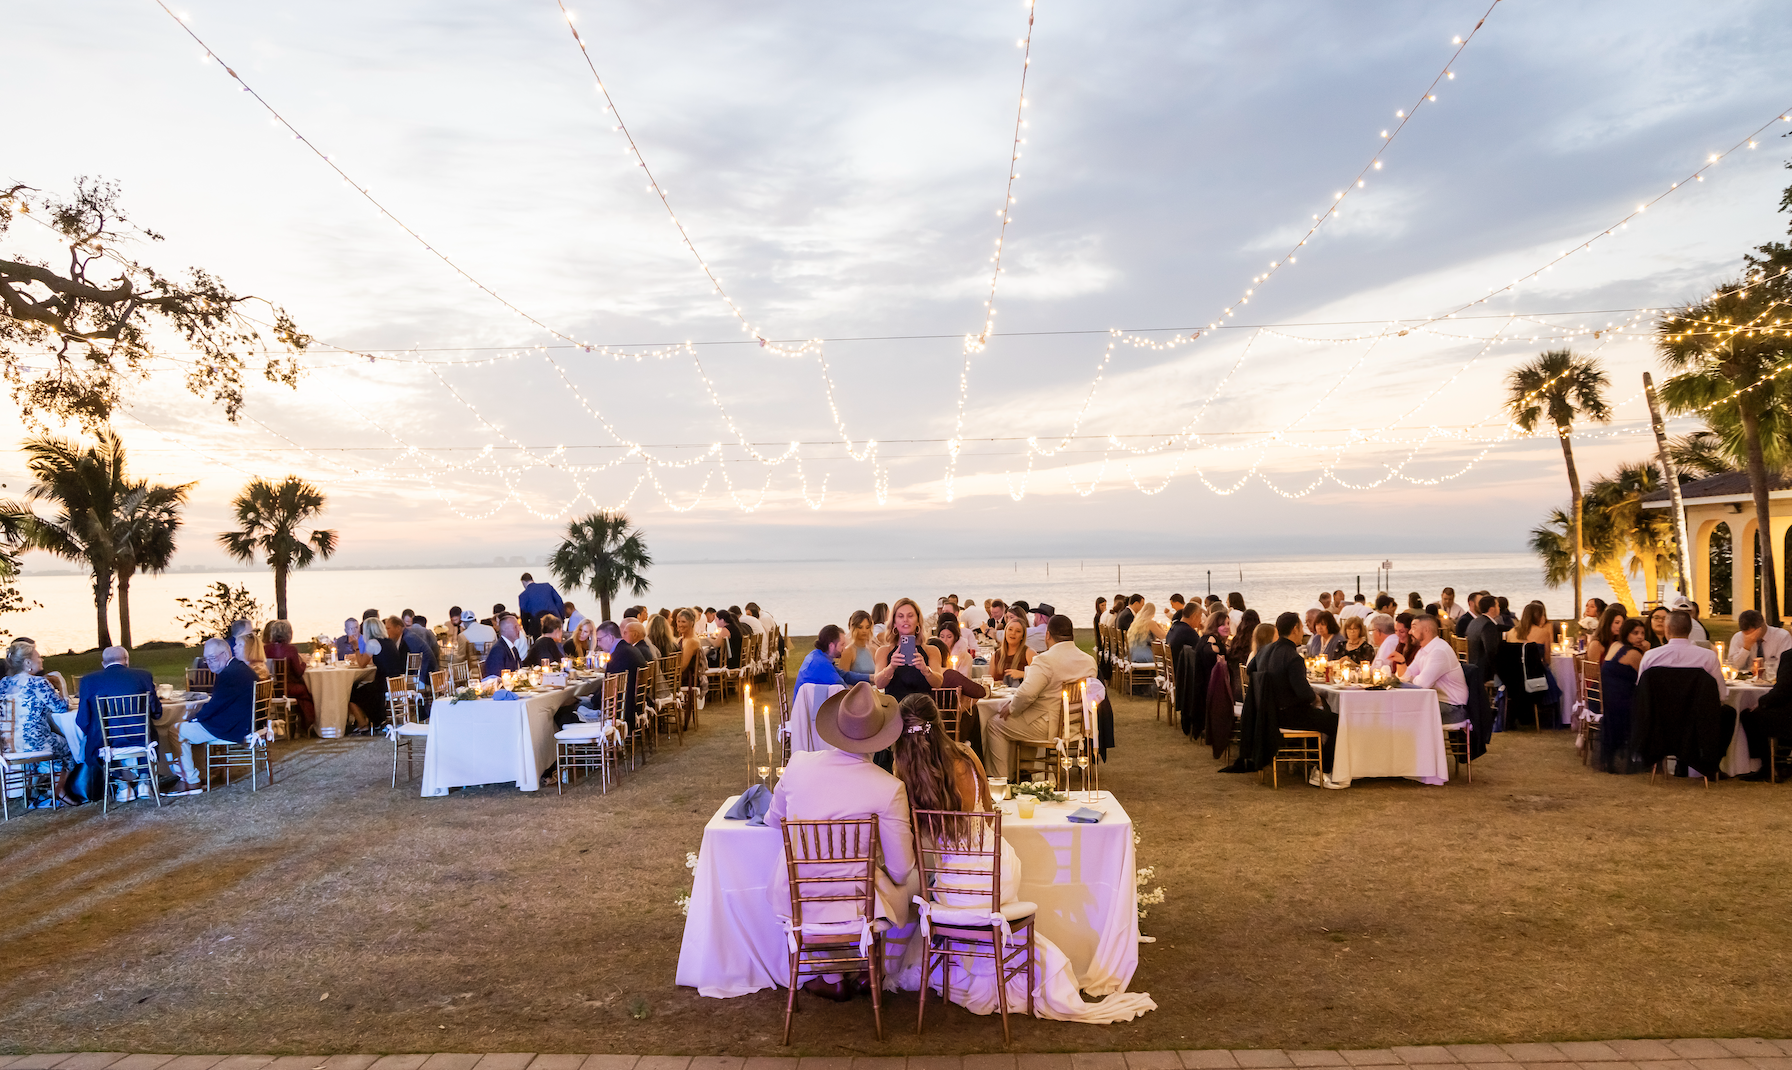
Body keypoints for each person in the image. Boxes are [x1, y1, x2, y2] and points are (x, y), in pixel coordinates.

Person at [764, 683, 919, 1001]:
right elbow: (902, 868)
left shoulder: (799, 765)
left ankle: (834, 975)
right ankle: (872, 968)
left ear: (837, 726)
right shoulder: (888, 787)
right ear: (881, 736)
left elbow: (773, 820)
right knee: (913, 880)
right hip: (858, 903)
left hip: (798, 897)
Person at [982, 614, 1096, 779]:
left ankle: (1000, 781)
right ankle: (1023, 772)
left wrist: (1012, 708)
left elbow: (1027, 694)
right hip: (1075, 725)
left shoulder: (1045, 660)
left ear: (1048, 635)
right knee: (1018, 719)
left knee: (995, 724)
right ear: (1072, 636)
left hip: (1049, 726)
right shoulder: (1088, 661)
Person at [74, 645, 164, 800]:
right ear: (126, 661)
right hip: (140, 738)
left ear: (103, 663)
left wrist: (93, 731)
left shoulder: (89, 681)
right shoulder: (143, 676)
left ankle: (122, 787)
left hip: (107, 740)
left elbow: (83, 719)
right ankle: (144, 781)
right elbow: (156, 712)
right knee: (150, 731)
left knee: (96, 740)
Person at [174, 636, 257, 793]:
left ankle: (189, 780)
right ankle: (201, 774)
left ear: (225, 654)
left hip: (230, 728)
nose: (209, 662)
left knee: (176, 730)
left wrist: (195, 717)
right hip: (241, 723)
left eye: (212, 658)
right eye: (206, 659)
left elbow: (215, 706)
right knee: (189, 727)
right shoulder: (241, 668)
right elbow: (220, 703)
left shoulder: (229, 675)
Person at [2, 640, 81, 805]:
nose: (42, 660)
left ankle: (39, 789)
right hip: (34, 743)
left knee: (52, 743)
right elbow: (60, 707)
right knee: (68, 747)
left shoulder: (3, 684)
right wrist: (61, 685)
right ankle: (59, 790)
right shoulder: (37, 683)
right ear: (28, 663)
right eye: (39, 657)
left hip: (8, 744)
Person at [892, 692, 993, 818]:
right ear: (939, 723)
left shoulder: (901, 767)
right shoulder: (966, 756)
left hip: (921, 838)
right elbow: (989, 815)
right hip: (977, 838)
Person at [1637, 609, 1726, 701]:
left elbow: (1641, 692)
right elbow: (1721, 694)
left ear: (1667, 628)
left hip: (1660, 713)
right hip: (1697, 713)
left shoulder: (1650, 656)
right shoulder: (1708, 657)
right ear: (1690, 629)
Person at [1596, 617, 1647, 773]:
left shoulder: (1616, 646)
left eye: (1643, 633)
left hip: (1608, 699)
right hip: (1622, 702)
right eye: (1635, 633)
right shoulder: (1633, 654)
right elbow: (1645, 679)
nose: (1639, 637)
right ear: (1627, 634)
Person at [1399, 615, 1470, 726]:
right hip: (1436, 702)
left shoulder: (1439, 651)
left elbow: (1422, 685)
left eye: (1414, 628)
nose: (1409, 632)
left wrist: (1411, 678)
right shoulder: (1424, 650)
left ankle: (1419, 743)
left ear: (1426, 630)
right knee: (1399, 708)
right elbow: (1406, 677)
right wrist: (1401, 663)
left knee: (1404, 713)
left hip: (1452, 708)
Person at [875, 597, 945, 702]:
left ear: (918, 621)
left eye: (910, 616)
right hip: (894, 711)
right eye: (900, 616)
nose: (905, 620)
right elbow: (879, 684)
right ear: (894, 622)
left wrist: (925, 670)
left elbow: (938, 683)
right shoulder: (884, 651)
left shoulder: (931, 651)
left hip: (922, 709)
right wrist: (891, 667)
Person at [263, 620, 317, 731]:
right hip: (288, 688)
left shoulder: (265, 649)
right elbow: (298, 672)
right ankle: (305, 724)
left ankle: (293, 724)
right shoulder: (291, 649)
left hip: (271, 689)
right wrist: (304, 663)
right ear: (289, 633)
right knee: (310, 692)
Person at [1726, 609, 1792, 678]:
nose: (1749, 637)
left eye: (1752, 633)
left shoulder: (1782, 636)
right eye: (1746, 634)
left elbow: (1785, 666)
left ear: (1762, 626)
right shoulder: (1738, 637)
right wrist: (1746, 648)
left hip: (1773, 680)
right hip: (1745, 683)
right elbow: (1733, 666)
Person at [796, 625, 850, 691]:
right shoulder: (821, 664)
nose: (844, 648)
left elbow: (844, 675)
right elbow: (844, 689)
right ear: (831, 646)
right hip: (811, 701)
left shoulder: (817, 655)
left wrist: (866, 677)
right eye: (842, 644)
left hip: (810, 700)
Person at [1464, 594, 1504, 683]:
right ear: (1492, 609)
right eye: (1497, 605)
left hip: (1471, 665)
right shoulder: (1488, 625)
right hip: (1484, 670)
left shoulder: (1474, 621)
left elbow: (1500, 627)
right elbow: (1491, 651)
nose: (1499, 608)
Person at [517, 572, 566, 640]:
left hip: (537, 626)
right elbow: (559, 602)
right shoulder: (547, 586)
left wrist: (527, 631)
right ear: (532, 580)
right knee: (557, 644)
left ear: (523, 582)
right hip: (555, 620)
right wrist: (561, 618)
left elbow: (524, 615)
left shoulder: (523, 595)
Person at [835, 610, 877, 686]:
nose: (864, 631)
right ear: (853, 628)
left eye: (867, 627)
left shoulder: (873, 650)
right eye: (860, 627)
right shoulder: (849, 651)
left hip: (873, 692)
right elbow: (843, 680)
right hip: (856, 694)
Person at [481, 613, 528, 680]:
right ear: (505, 629)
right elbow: (495, 677)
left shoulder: (512, 648)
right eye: (515, 627)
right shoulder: (498, 650)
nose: (519, 629)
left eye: (519, 626)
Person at [989, 617, 1034, 686]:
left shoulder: (1029, 653)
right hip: (1000, 694)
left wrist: (1022, 674)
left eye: (1018, 631)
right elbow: (989, 681)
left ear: (1022, 636)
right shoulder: (996, 655)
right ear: (1005, 631)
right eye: (1010, 629)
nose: (1013, 633)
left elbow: (1040, 676)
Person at [1585, 603, 1631, 669]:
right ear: (1607, 623)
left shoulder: (1618, 642)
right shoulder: (1596, 644)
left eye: (1622, 623)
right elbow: (1592, 672)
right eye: (1617, 623)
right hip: (1602, 677)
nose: (1621, 626)